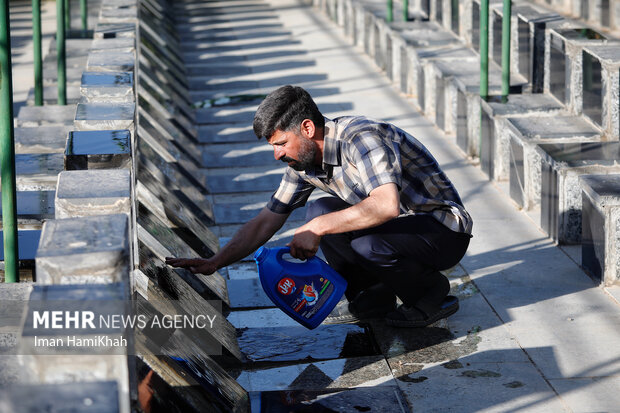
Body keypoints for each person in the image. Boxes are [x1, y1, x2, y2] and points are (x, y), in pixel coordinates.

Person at [166, 85, 472, 327]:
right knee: (320, 210)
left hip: (440, 229)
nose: (277, 154)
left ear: (308, 129)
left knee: (351, 236)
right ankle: (373, 295)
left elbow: (386, 206)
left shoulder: (361, 139)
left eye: (281, 143)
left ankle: (429, 295)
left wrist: (316, 229)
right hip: (396, 230)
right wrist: (216, 261)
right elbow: (266, 221)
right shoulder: (303, 163)